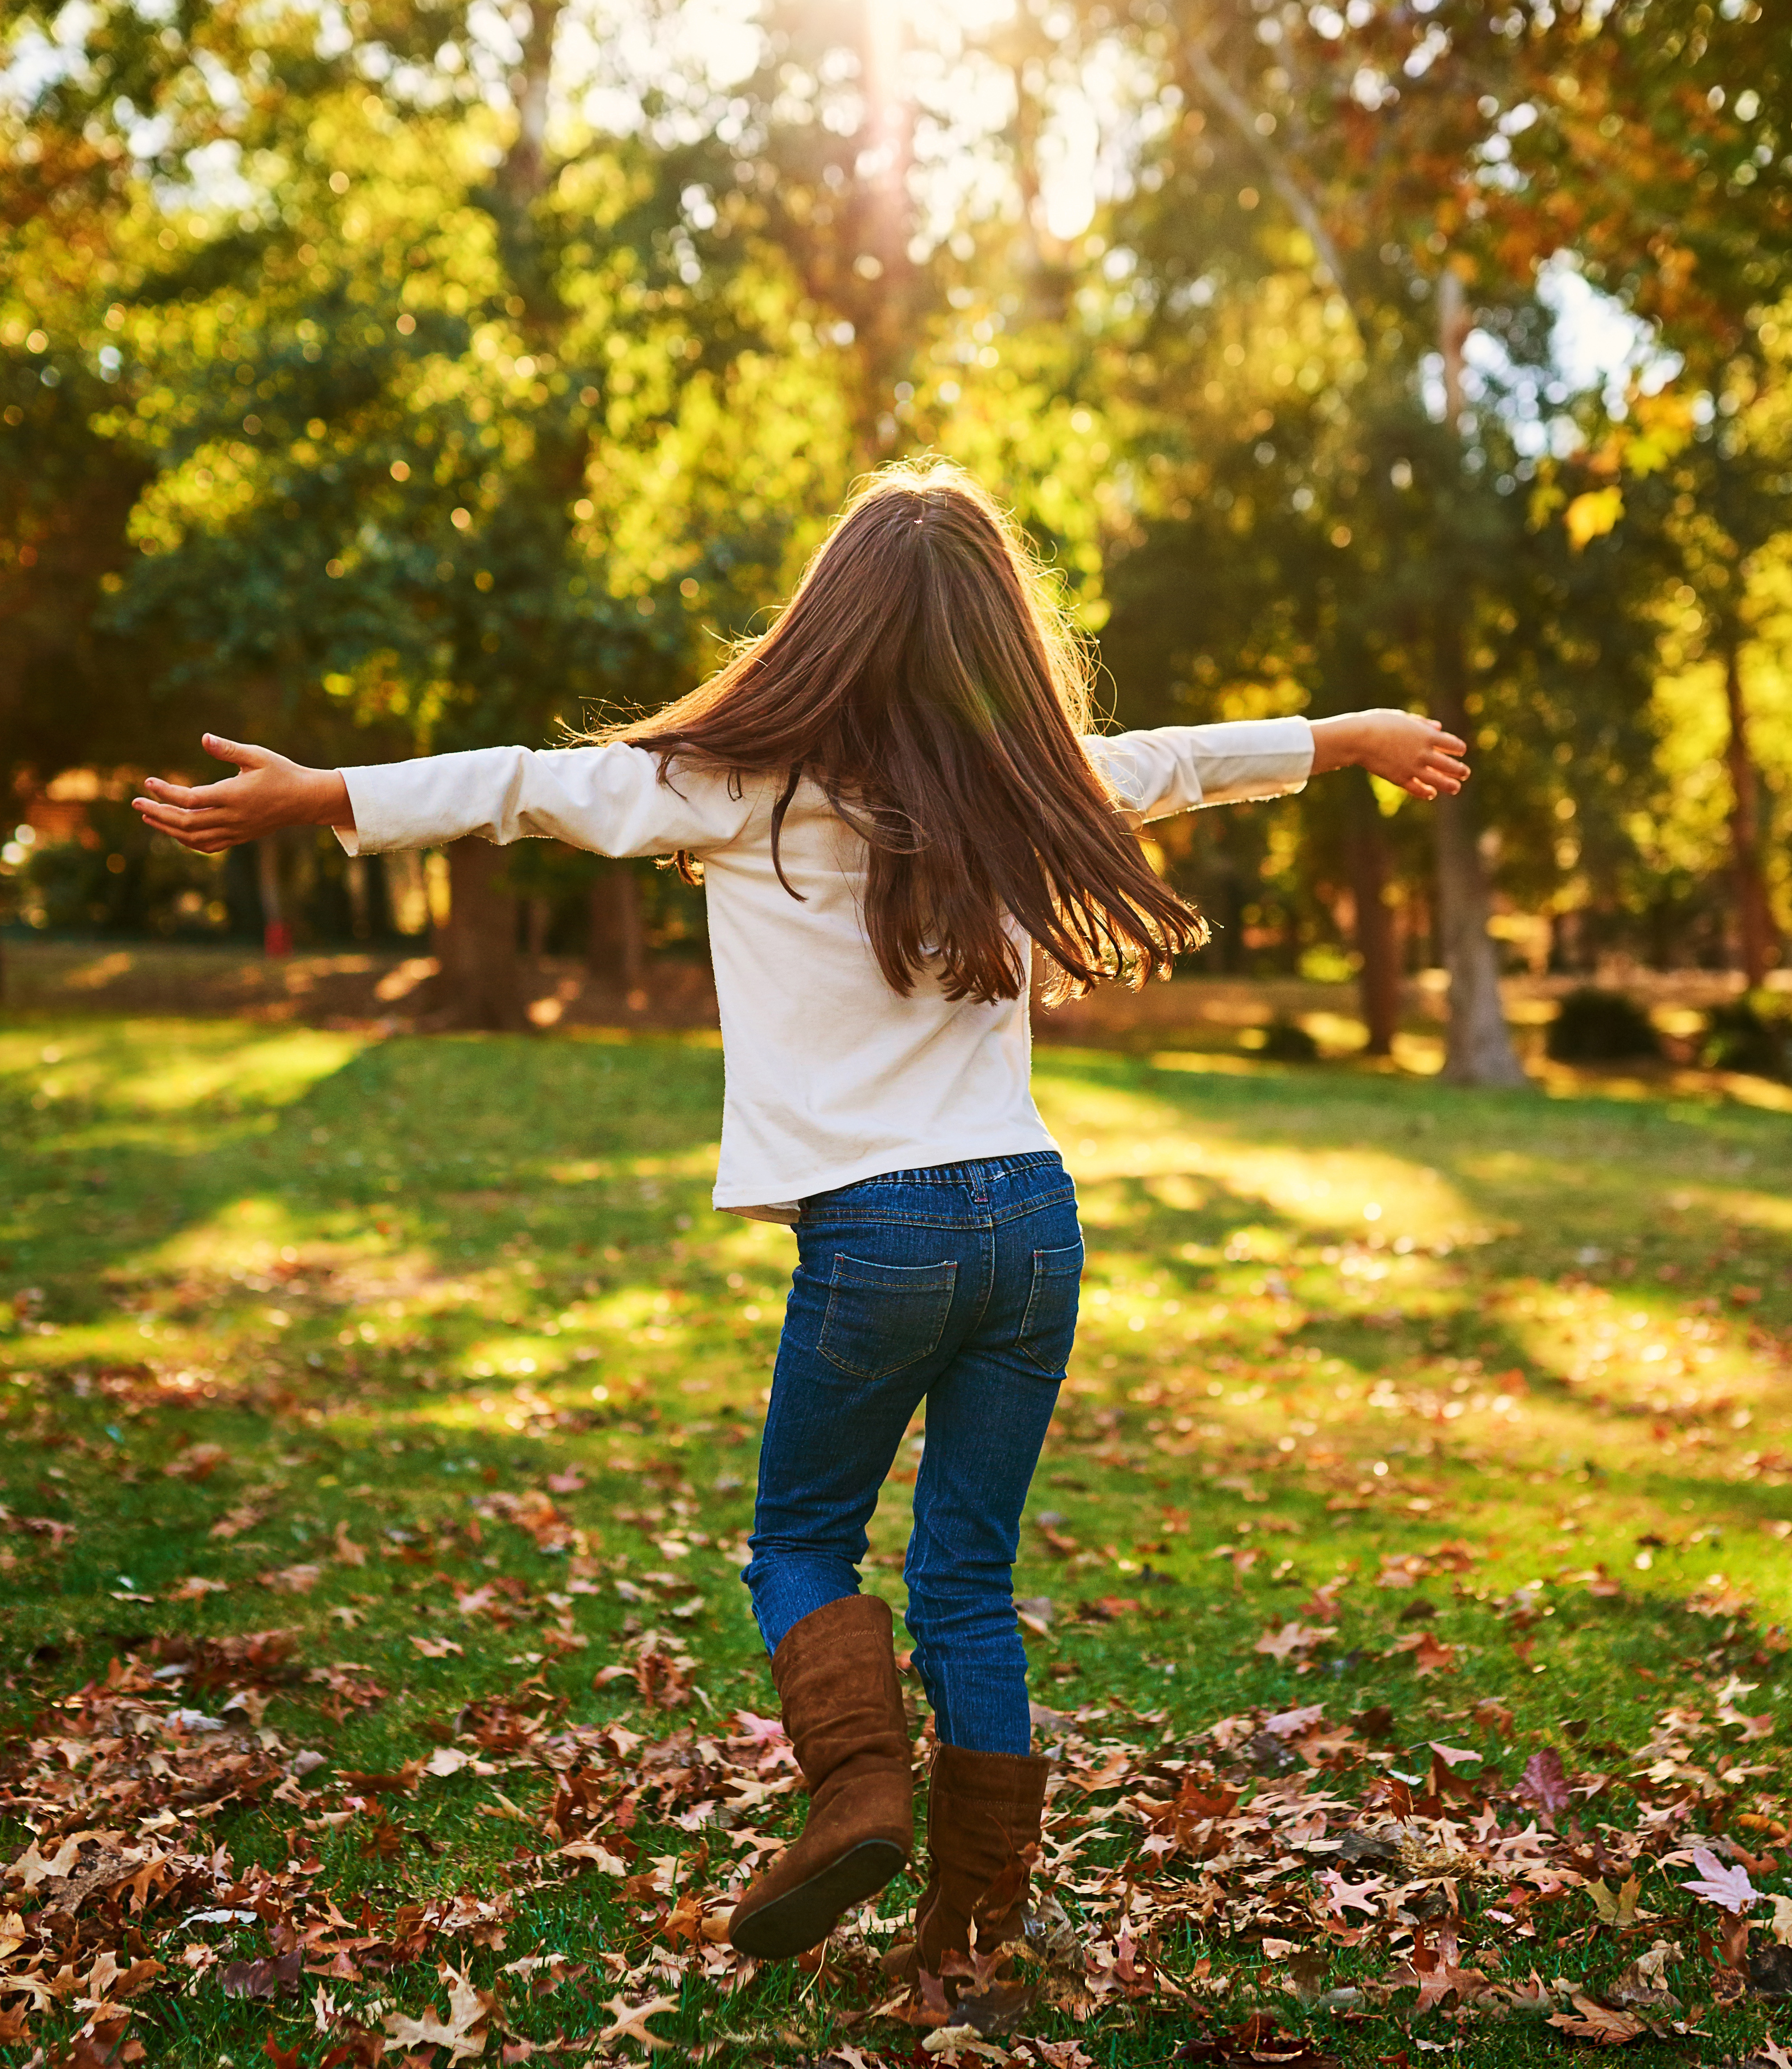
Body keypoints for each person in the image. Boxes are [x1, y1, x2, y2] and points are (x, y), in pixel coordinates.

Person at [131, 460, 1469, 1978]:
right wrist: (1346, 737)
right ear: (994, 639)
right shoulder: (1030, 778)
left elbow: (521, 783)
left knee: (799, 1543)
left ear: (826, 623)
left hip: (877, 1234)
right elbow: (1173, 763)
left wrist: (325, 794)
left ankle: (858, 1796)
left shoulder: (731, 785)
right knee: (966, 1579)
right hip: (1033, 1221)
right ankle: (973, 1933)